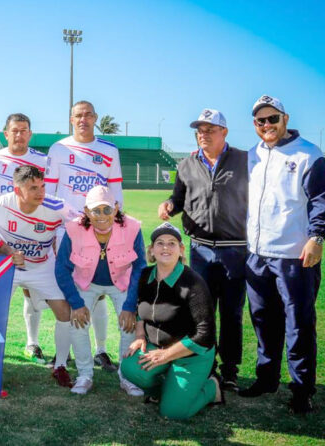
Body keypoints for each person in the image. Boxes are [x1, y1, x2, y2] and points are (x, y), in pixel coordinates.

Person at [238, 95, 324, 414]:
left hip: (294, 255)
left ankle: (301, 390)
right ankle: (267, 379)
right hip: (256, 253)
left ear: (285, 118)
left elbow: (320, 199)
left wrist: (317, 236)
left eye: (272, 119)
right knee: (263, 320)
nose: (267, 126)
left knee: (298, 323)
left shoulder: (309, 154)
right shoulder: (252, 156)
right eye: (260, 121)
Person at [158, 108, 247, 390]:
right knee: (200, 313)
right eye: (199, 130)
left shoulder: (245, 161)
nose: (203, 135)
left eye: (210, 130)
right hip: (200, 251)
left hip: (235, 250)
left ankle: (230, 370)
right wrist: (169, 206)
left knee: (232, 313)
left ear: (225, 132)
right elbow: (178, 198)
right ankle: (205, 366)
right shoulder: (186, 164)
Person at [0, 166, 75, 386]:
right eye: (33, 188)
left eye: (42, 186)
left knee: (64, 311)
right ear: (17, 190)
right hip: (7, 267)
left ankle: (60, 365)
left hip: (42, 266)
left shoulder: (57, 207)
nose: (41, 193)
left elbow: (82, 224)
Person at [45, 100, 124, 373]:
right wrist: (55, 231)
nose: (83, 119)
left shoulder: (109, 151)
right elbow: (50, 195)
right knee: (70, 293)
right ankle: (63, 356)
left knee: (99, 291)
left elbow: (117, 195)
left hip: (100, 230)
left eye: (88, 115)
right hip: (67, 232)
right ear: (71, 119)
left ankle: (101, 350)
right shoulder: (58, 149)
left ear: (95, 118)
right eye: (78, 115)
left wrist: (117, 229)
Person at [121, 222, 222, 420]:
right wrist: (140, 335)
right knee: (130, 368)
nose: (165, 247)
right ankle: (171, 390)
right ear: (151, 250)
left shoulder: (193, 283)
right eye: (159, 243)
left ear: (181, 249)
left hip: (191, 355)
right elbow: (140, 308)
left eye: (172, 243)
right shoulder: (144, 275)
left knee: (173, 412)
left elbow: (205, 335)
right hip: (157, 347)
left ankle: (212, 388)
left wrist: (167, 355)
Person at [54, 186, 146, 395]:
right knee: (77, 324)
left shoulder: (132, 227)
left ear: (115, 209)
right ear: (87, 211)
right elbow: (62, 268)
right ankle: (85, 374)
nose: (102, 216)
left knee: (128, 325)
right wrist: (76, 303)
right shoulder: (74, 229)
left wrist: (131, 304)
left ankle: (127, 376)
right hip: (86, 283)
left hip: (121, 282)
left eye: (107, 210)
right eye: (96, 210)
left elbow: (140, 266)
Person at [0, 113, 52, 364]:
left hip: (31, 233)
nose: (19, 134)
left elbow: (47, 195)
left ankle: (32, 343)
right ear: (6, 133)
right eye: (14, 130)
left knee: (31, 290)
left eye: (24, 130)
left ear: (30, 133)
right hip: (0, 234)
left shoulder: (41, 160)